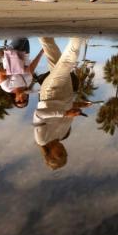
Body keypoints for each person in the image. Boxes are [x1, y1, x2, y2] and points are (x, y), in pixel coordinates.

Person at [34, 37, 92, 170]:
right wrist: (79, 105)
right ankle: (43, 32)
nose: (63, 150)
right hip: (66, 93)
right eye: (65, 153)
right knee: (52, 51)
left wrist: (65, 113)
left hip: (51, 93)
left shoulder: (42, 139)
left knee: (67, 63)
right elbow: (66, 108)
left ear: (50, 154)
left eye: (60, 154)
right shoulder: (63, 134)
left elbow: (39, 114)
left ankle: (78, 36)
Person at [0, 38, 43, 108]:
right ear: (27, 98)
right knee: (25, 38)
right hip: (25, 54)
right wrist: (42, 52)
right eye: (24, 101)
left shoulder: (7, 88)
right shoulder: (27, 83)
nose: (21, 100)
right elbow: (33, 66)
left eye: (18, 101)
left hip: (12, 54)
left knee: (22, 36)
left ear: (14, 99)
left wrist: (18, 70)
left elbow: (0, 73)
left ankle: (6, 49)